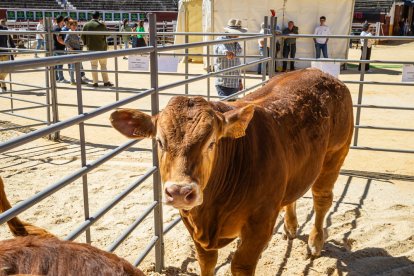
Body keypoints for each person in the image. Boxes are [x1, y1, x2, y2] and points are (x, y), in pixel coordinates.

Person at [214, 18, 246, 97]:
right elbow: (221, 47)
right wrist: (226, 52)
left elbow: (237, 62)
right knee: (227, 106)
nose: (237, 35)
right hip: (224, 83)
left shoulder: (236, 43)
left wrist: (239, 81)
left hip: (234, 83)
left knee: (233, 106)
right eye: (235, 33)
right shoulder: (221, 39)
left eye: (238, 33)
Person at [81, 11, 113, 87]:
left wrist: (86, 43)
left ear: (91, 16)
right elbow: (107, 34)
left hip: (91, 48)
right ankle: (105, 81)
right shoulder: (101, 25)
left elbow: (82, 36)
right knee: (103, 65)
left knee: (93, 66)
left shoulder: (86, 25)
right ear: (99, 17)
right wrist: (104, 25)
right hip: (102, 48)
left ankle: (95, 82)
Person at [64, 20, 88, 85]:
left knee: (79, 66)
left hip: (76, 50)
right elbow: (65, 41)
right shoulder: (70, 32)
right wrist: (71, 48)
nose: (74, 26)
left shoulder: (74, 32)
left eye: (75, 25)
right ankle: (72, 80)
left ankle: (78, 79)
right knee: (73, 66)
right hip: (73, 51)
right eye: (73, 25)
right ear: (70, 26)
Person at [0, 19, 16, 92]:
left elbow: (9, 39)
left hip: (5, 52)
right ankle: (3, 86)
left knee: (5, 70)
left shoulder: (5, 29)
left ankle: (1, 83)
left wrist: (14, 48)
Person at [53, 15, 69, 83]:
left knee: (57, 64)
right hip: (59, 47)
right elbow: (59, 39)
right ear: (61, 21)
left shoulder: (55, 27)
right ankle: (61, 78)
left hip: (56, 47)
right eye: (63, 21)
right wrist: (66, 44)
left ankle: (57, 78)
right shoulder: (58, 29)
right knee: (60, 64)